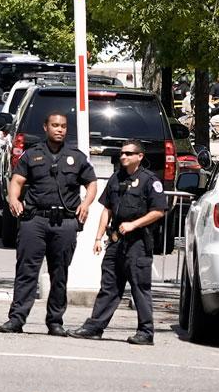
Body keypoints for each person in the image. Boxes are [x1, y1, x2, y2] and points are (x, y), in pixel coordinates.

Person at [0, 112, 97, 335]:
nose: (59, 129)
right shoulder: (32, 154)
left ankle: (55, 321)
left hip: (65, 222)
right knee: (26, 272)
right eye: (55, 125)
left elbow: (91, 182)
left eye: (62, 126)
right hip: (35, 220)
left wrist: (86, 203)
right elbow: (17, 180)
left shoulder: (76, 156)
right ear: (46, 127)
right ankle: (16, 319)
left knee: (59, 274)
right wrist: (13, 199)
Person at [71, 141, 166, 345]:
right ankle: (94, 327)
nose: (123, 157)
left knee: (139, 287)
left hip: (138, 243)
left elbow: (158, 211)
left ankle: (146, 332)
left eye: (129, 154)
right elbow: (107, 209)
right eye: (122, 153)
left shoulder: (150, 181)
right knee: (109, 286)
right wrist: (98, 238)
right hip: (116, 241)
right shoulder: (116, 178)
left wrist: (134, 225)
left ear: (140, 156)